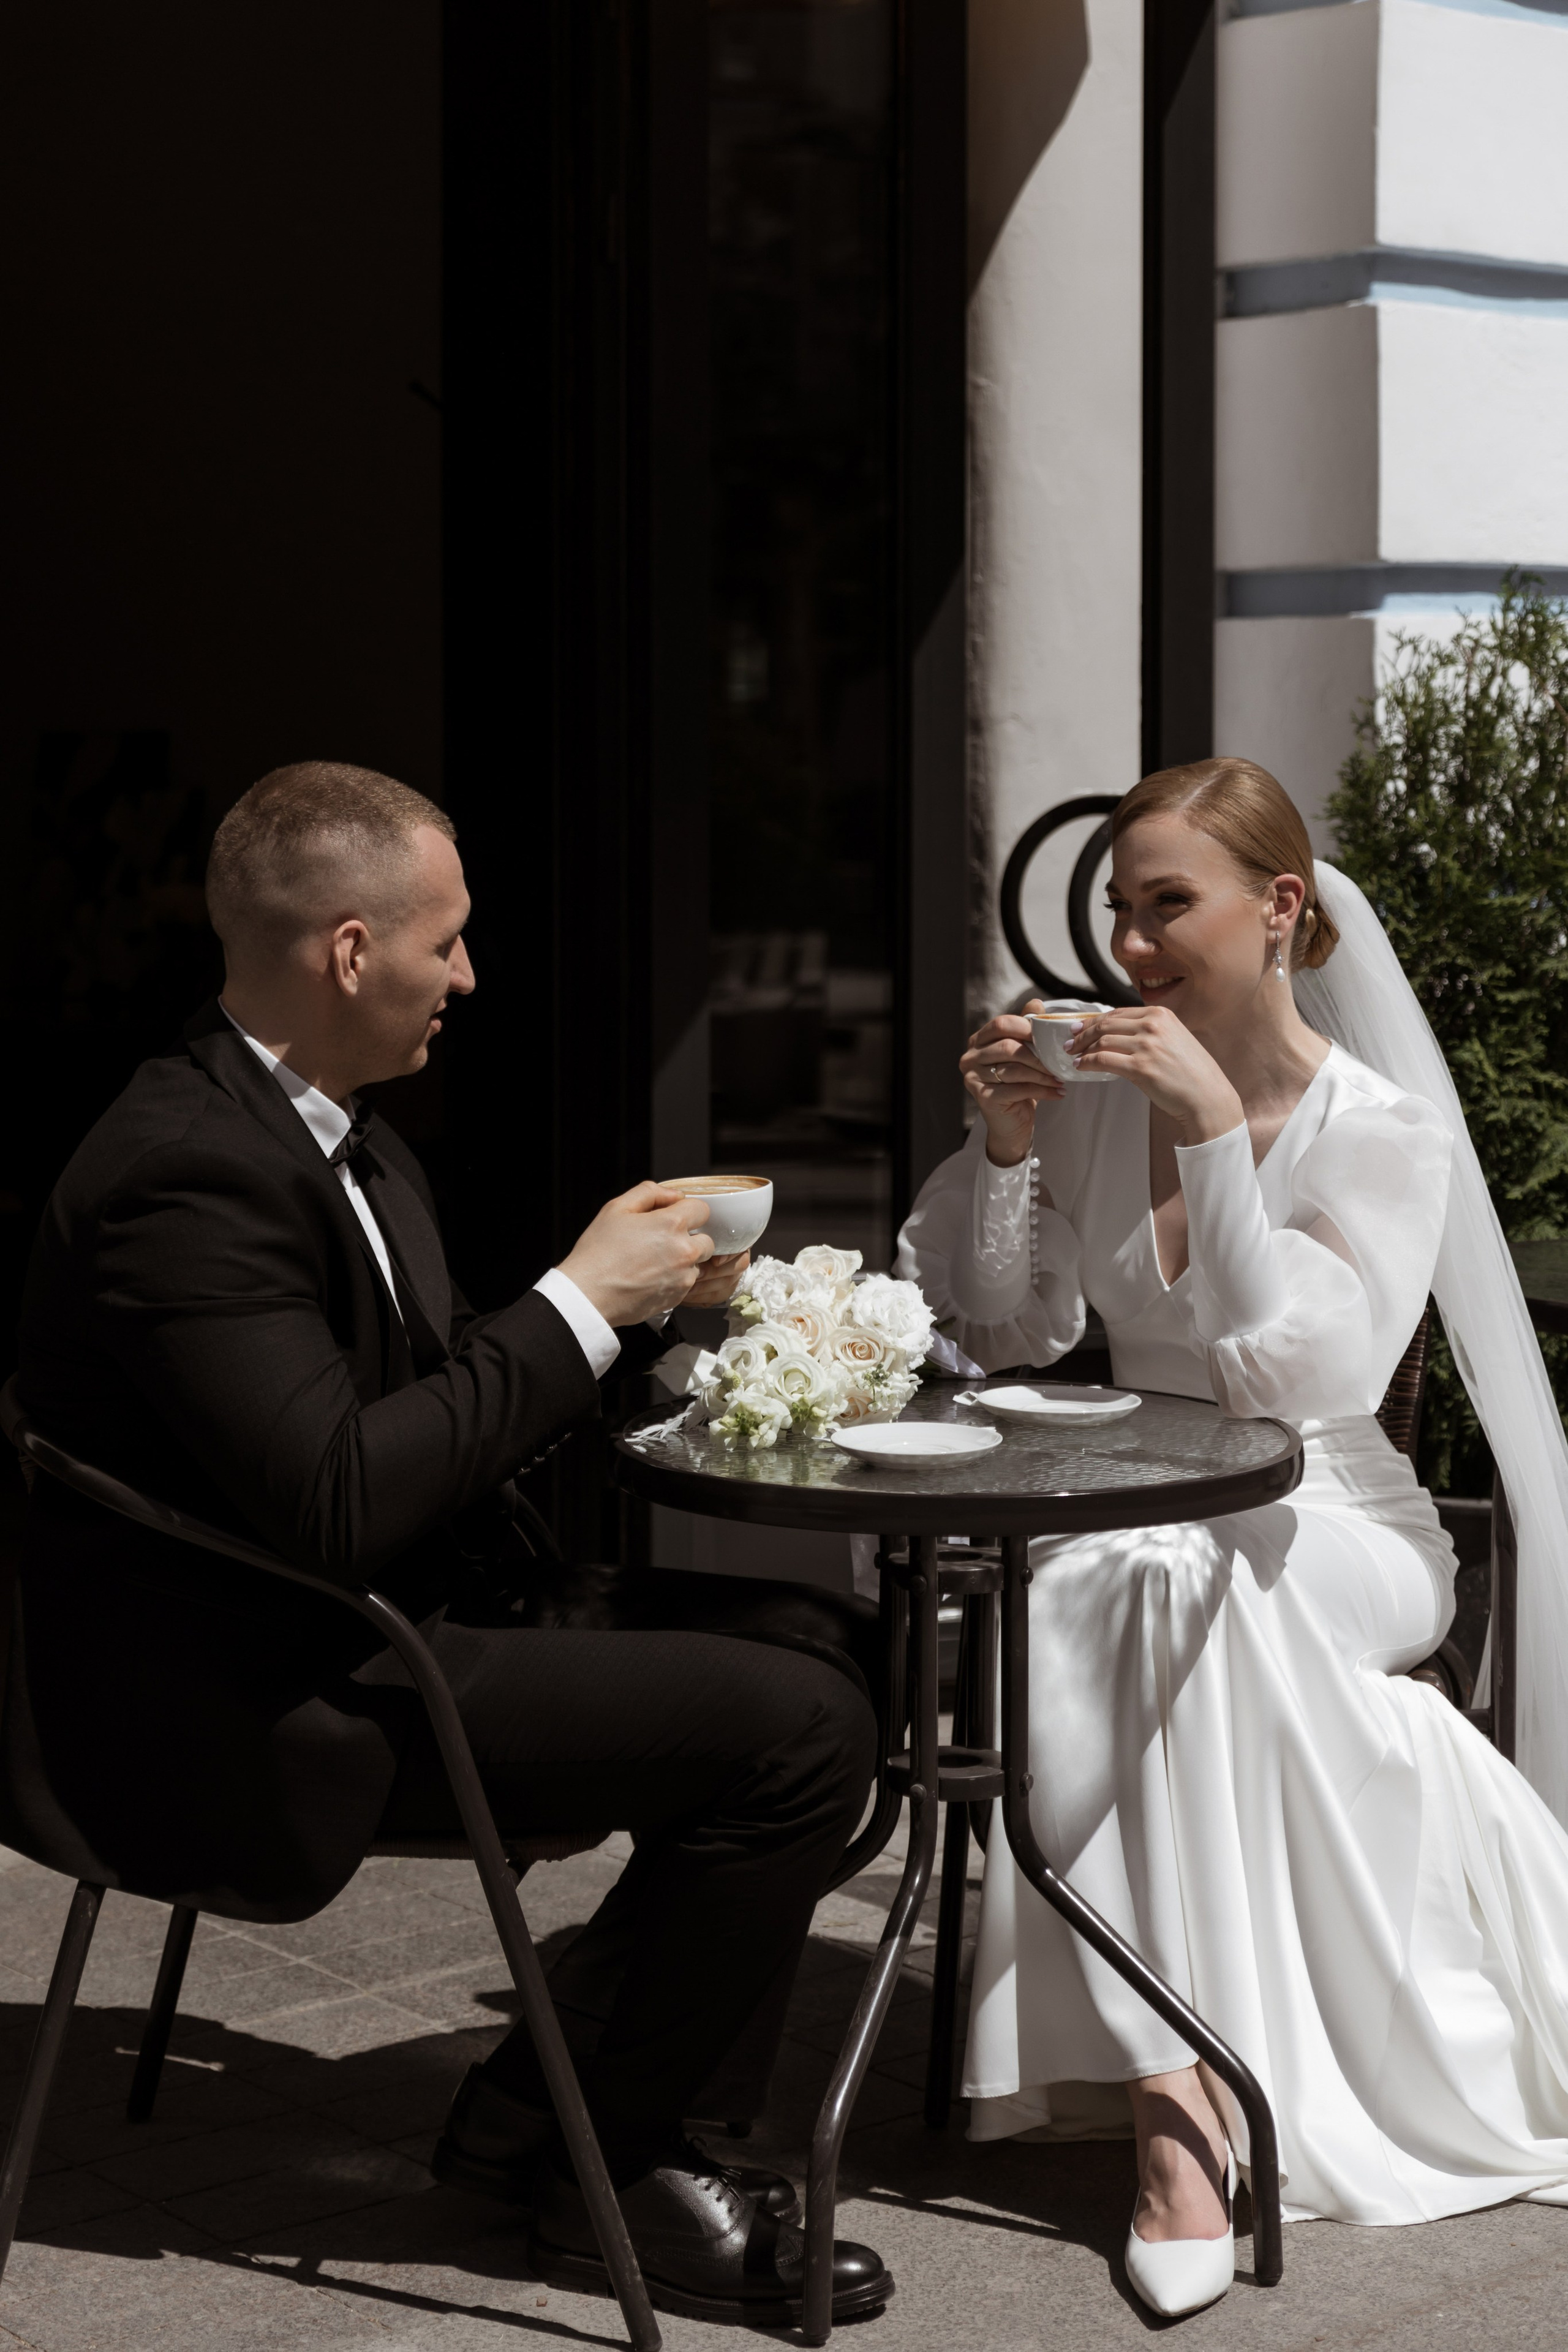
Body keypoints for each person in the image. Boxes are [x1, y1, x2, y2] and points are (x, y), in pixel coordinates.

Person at [11, 761, 892, 2328]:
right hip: (262, 1697)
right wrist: (573, 1304)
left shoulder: (343, 1134)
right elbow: (342, 1497)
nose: (469, 977)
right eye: (447, 943)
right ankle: (609, 2161)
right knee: (799, 1732)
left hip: (379, 1611)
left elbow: (420, 1409)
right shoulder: (184, 1173)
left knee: (829, 1642)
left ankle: (539, 2101)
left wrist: (637, 1327)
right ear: (350, 952)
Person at [899, 756, 1568, 2318]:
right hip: (1138, 1505)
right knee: (1125, 1567)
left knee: (1138, 1575)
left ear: (1278, 908)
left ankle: (1175, 2127)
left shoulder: (1380, 1131)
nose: (1130, 947)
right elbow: (1008, 1333)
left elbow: (1296, 1380)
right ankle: (1178, 2091)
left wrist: (1210, 1135)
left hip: (1330, 1512)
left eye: (1167, 906)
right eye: (1119, 911)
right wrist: (1005, 1147)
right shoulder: (1093, 1096)